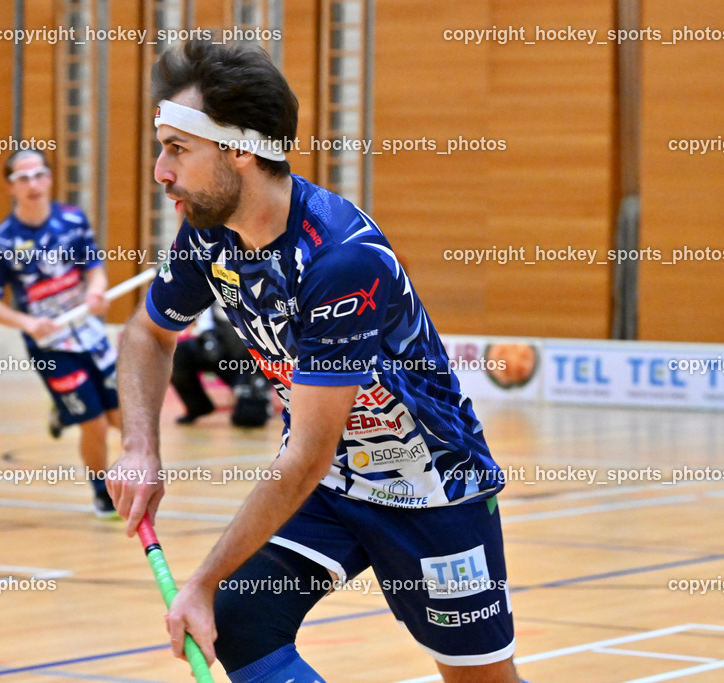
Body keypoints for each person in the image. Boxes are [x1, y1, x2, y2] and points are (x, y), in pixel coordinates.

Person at [108, 39, 523, 682]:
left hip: (430, 488)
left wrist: (200, 580)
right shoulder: (209, 234)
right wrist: (140, 447)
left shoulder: (340, 261)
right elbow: (147, 335)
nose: (161, 171)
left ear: (238, 150)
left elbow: (304, 456)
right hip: (332, 488)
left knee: (477, 679)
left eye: (177, 149)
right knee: (242, 625)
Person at [0, 149, 121, 518]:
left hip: (89, 333)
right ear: (10, 186)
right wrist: (27, 324)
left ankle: (64, 409)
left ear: (50, 178)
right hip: (50, 345)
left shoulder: (73, 220)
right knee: (94, 425)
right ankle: (101, 491)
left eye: (39, 175)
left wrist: (95, 291)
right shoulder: (4, 241)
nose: (33, 184)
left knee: (122, 418)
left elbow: (94, 268)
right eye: (23, 178)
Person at [171, 303, 272, 427]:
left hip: (255, 363)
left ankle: (256, 395)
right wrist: (209, 339)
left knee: (249, 418)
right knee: (182, 353)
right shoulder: (217, 287)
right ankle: (198, 406)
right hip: (223, 355)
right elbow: (206, 322)